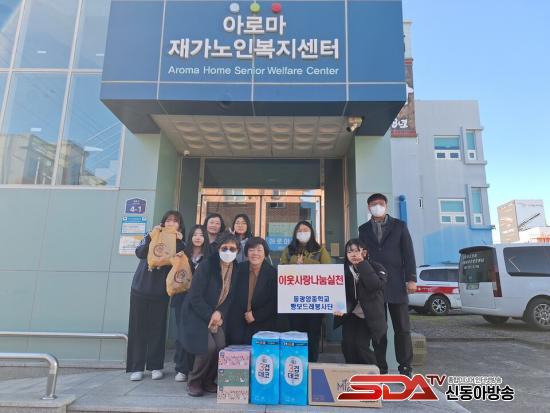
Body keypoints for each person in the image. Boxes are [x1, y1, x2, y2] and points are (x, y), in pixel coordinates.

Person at [358, 193, 417, 377]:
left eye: (380, 203)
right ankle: (380, 367)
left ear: (386, 206)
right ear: (369, 207)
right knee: (379, 328)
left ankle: (405, 368)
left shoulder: (399, 226)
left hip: (397, 283)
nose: (377, 206)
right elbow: (362, 256)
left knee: (402, 328)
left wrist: (412, 278)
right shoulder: (363, 229)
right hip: (374, 284)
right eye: (373, 204)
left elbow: (408, 253)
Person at [127, 210, 185, 381]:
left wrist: (179, 241)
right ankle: (136, 367)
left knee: (157, 329)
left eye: (175, 221)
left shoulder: (180, 241)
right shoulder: (152, 234)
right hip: (140, 288)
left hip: (161, 291)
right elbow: (139, 253)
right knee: (138, 328)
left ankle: (155, 366)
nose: (171, 223)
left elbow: (181, 261)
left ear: (179, 225)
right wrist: (151, 236)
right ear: (163, 222)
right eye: (168, 220)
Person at [180, 232, 240, 397]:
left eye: (232, 249)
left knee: (220, 345)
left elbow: (230, 297)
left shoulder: (236, 268)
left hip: (216, 315)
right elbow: (195, 296)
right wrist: (210, 314)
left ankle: (208, 380)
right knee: (207, 347)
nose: (228, 252)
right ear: (218, 249)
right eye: (224, 248)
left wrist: (219, 313)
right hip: (197, 313)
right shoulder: (207, 265)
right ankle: (194, 381)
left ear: (238, 250)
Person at [279, 221, 331, 362]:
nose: (302, 233)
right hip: (293, 300)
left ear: (311, 232)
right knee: (295, 334)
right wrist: (294, 264)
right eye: (299, 230)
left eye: (305, 230)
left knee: (313, 335)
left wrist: (306, 263)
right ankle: (297, 364)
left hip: (315, 301)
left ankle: (312, 364)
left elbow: (328, 270)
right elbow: (281, 269)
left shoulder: (320, 250)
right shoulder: (288, 250)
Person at [334, 239, 387, 365]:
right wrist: (340, 307)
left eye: (356, 251)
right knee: (348, 344)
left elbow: (375, 285)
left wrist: (362, 264)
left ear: (364, 252)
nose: (353, 254)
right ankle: (352, 371)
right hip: (351, 313)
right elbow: (339, 293)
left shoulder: (377, 267)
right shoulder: (342, 270)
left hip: (370, 315)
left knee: (361, 345)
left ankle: (373, 371)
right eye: (349, 252)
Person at [172, 225, 207, 382]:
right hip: (182, 298)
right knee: (182, 333)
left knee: (197, 333)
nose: (198, 237)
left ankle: (195, 368)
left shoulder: (209, 256)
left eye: (201, 235)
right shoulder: (182, 254)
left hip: (200, 301)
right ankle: (181, 369)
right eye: (195, 234)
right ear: (191, 237)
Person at [226, 237, 277, 345]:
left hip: (262, 322)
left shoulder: (272, 273)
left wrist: (256, 315)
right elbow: (232, 295)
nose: (255, 253)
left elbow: (274, 302)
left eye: (259, 250)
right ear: (246, 252)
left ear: (265, 253)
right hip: (238, 320)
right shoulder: (238, 269)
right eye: (251, 250)